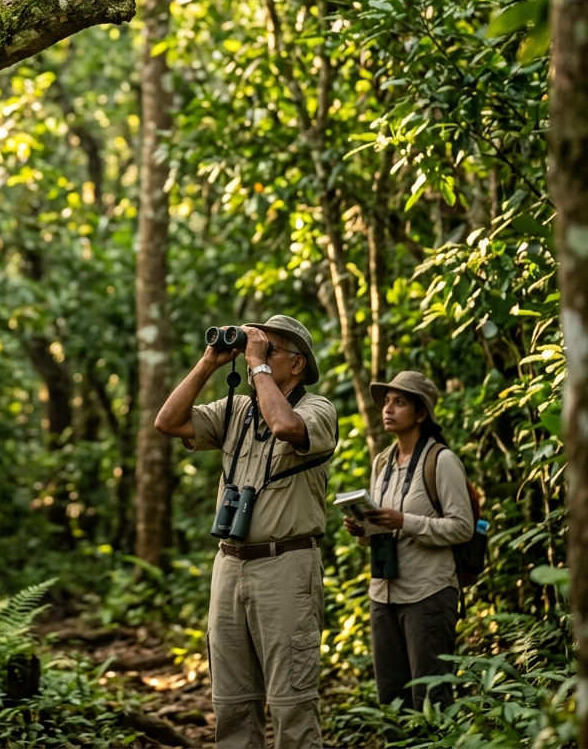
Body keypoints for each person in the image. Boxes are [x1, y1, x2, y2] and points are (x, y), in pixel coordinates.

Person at [155, 315, 337, 749]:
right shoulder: (236, 409)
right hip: (230, 564)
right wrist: (209, 362)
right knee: (232, 702)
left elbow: (285, 427)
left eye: (271, 349)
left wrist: (256, 366)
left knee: (291, 702)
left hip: (286, 566)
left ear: (297, 364)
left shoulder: (318, 409)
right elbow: (168, 422)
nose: (258, 352)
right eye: (258, 345)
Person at [343, 371, 474, 710]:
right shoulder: (382, 462)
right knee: (391, 699)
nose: (388, 409)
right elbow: (382, 527)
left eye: (399, 403)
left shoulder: (441, 461)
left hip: (428, 593)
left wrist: (405, 521)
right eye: (386, 402)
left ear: (421, 414)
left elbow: (463, 527)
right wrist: (363, 529)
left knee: (431, 698)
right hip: (383, 594)